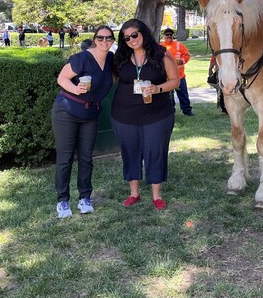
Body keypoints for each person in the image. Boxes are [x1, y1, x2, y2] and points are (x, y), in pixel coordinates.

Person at [111, 19, 180, 210]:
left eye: (134, 35)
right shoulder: (121, 56)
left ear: (143, 33)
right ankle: (134, 193)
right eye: (126, 38)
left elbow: (175, 81)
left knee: (155, 152)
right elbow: (109, 77)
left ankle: (156, 196)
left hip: (157, 115)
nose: (131, 40)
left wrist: (157, 88)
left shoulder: (161, 54)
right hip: (124, 115)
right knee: (130, 152)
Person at [52, 25, 115, 218]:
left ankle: (84, 198)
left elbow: (115, 77)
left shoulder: (111, 59)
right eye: (101, 38)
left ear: (113, 41)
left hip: (91, 113)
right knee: (66, 158)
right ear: (95, 39)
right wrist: (75, 89)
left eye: (109, 38)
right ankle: (62, 201)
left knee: (87, 157)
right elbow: (62, 78)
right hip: (67, 111)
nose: (105, 41)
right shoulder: (82, 58)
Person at [160, 28, 194, 116]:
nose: (169, 36)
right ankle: (171, 111)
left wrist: (182, 61)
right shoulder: (160, 47)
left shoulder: (179, 45)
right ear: (164, 36)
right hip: (167, 77)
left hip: (180, 76)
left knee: (183, 94)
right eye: (167, 35)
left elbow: (187, 55)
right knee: (169, 96)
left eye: (170, 35)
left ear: (173, 36)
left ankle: (187, 111)